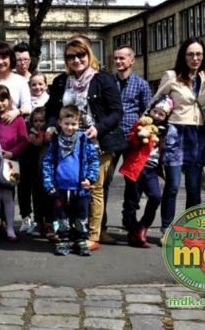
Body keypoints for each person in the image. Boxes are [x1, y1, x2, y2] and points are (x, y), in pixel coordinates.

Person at [44, 38, 125, 252]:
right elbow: (51, 110)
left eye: (81, 55)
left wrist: (99, 128)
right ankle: (71, 232)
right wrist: (51, 126)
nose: (77, 60)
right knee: (68, 188)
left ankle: (92, 235)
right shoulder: (61, 81)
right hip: (66, 145)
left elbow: (117, 112)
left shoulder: (103, 80)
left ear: (89, 55)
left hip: (97, 143)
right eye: (71, 56)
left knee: (93, 188)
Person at [151, 38, 205, 232]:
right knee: (172, 185)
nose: (195, 58)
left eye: (198, 54)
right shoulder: (172, 75)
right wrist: (148, 126)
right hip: (175, 132)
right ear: (183, 56)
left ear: (203, 56)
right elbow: (155, 102)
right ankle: (166, 228)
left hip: (197, 134)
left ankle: (192, 229)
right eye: (190, 54)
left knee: (194, 187)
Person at [102, 45, 152, 245]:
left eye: (122, 58)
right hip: (112, 137)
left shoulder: (141, 84)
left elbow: (147, 112)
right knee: (104, 180)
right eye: (116, 58)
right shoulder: (108, 82)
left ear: (132, 60)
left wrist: (143, 133)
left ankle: (129, 222)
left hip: (133, 139)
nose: (118, 62)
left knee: (133, 182)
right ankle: (100, 226)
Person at [42, 105, 100, 257]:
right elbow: (48, 162)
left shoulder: (84, 140)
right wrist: (49, 184)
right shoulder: (55, 141)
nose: (70, 127)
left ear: (78, 123)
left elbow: (94, 160)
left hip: (80, 188)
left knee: (81, 215)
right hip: (60, 188)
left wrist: (90, 179)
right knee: (62, 216)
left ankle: (81, 240)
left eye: (73, 124)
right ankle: (64, 240)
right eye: (66, 123)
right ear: (60, 123)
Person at [119, 97, 177, 248]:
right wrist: (139, 136)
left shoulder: (164, 131)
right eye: (155, 111)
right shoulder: (141, 123)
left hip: (151, 170)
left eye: (161, 114)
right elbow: (131, 140)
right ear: (150, 110)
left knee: (156, 197)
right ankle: (132, 230)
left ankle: (143, 226)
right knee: (132, 200)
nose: (157, 115)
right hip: (136, 167)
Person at [0, 85, 28, 242]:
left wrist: (12, 153)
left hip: (11, 164)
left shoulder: (18, 119)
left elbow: (24, 141)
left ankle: (10, 229)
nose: (0, 103)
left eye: (3, 100)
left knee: (8, 197)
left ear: (9, 99)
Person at [19, 72, 49, 235]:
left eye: (40, 84)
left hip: (45, 148)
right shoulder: (25, 101)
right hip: (29, 148)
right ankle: (29, 217)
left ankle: (49, 220)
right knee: (28, 184)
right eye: (34, 84)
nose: (37, 87)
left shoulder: (50, 101)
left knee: (45, 185)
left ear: (46, 85)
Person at [26, 107, 55, 239]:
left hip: (48, 173)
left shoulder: (50, 134)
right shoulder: (31, 134)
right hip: (34, 171)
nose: (38, 124)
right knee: (36, 197)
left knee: (49, 197)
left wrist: (45, 140)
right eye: (35, 121)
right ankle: (38, 222)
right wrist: (32, 142)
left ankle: (49, 222)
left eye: (41, 121)